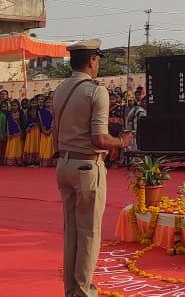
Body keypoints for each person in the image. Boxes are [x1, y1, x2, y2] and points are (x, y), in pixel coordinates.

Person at [54, 40, 134, 297]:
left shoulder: (60, 89)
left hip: (64, 163)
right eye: (98, 60)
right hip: (87, 166)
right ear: (92, 60)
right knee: (88, 232)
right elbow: (100, 138)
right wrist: (121, 142)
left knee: (71, 233)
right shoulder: (96, 91)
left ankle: (71, 290)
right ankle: (83, 291)